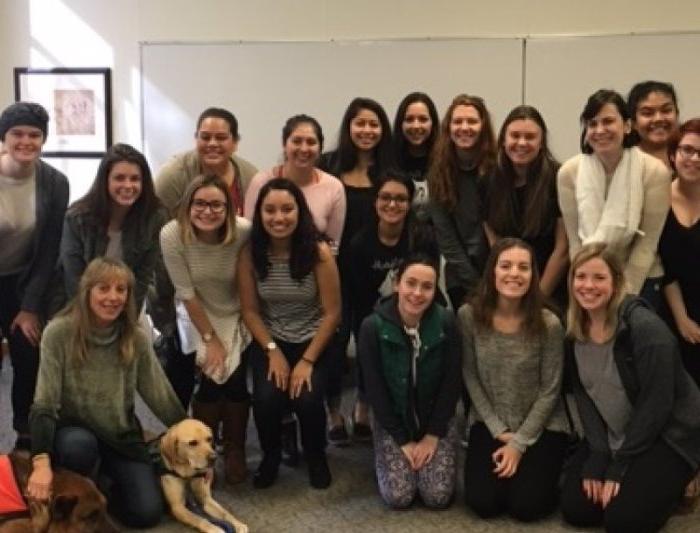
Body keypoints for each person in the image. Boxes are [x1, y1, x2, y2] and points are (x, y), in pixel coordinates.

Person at [26, 258, 186, 528]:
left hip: (120, 436)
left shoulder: (135, 337)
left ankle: (105, 486)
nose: (113, 297)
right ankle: (78, 494)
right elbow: (44, 403)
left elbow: (161, 395)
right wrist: (40, 462)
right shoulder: (58, 332)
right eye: (103, 288)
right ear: (87, 291)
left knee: (146, 513)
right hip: (73, 435)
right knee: (78, 446)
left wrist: (191, 440)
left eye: (121, 290)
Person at [560, 243, 700, 533]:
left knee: (624, 522)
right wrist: (599, 455)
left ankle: (685, 476)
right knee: (579, 509)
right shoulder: (574, 331)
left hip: (668, 434)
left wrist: (619, 466)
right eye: (580, 276)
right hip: (618, 431)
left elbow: (656, 406)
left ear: (617, 283)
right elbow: (585, 396)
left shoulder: (646, 330)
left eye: (599, 278)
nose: (588, 285)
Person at [238, 177, 340, 489]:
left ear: (300, 212)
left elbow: (333, 313)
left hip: (314, 337)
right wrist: (272, 351)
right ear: (260, 213)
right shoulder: (250, 253)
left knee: (307, 398)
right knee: (266, 399)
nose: (278, 218)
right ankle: (271, 454)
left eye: (287, 209)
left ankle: (315, 454)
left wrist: (307, 361)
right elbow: (250, 311)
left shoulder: (318, 252)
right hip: (272, 338)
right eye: (270, 210)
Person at [459, 238, 569, 521]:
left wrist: (518, 444)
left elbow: (550, 390)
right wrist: (497, 429)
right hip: (491, 421)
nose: (514, 274)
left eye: (523, 267)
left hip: (542, 424)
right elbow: (470, 375)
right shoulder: (469, 316)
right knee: (483, 503)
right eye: (505, 265)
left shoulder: (549, 323)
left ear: (533, 275)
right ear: (492, 272)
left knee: (527, 507)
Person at [160, 174, 251, 484]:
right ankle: (202, 455)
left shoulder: (243, 231)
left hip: (235, 310)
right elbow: (185, 293)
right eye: (200, 203)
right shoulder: (172, 234)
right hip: (194, 310)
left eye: (217, 204)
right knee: (213, 370)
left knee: (235, 376)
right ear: (187, 206)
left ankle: (235, 447)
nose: (208, 211)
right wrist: (210, 339)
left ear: (229, 208)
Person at [358, 253, 461, 509]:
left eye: (427, 287)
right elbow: (375, 391)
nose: (417, 293)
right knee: (399, 496)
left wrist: (433, 435)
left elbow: (452, 383)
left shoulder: (447, 322)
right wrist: (402, 440)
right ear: (396, 283)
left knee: (436, 497)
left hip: (435, 419)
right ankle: (389, 457)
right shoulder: (372, 327)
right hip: (392, 420)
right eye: (410, 283)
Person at [319, 97, 394, 445]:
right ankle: (333, 409)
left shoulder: (390, 170)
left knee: (372, 344)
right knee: (333, 347)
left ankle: (363, 406)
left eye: (374, 124)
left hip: (376, 275)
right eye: (360, 123)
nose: (367, 130)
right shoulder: (328, 166)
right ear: (349, 127)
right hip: (332, 274)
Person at [557, 89, 671, 308]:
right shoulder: (569, 173)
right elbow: (574, 243)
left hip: (640, 278)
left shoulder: (654, 172)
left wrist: (622, 298)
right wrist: (588, 284)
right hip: (588, 283)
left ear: (627, 126)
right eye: (592, 123)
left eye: (608, 121)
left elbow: (647, 244)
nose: (600, 130)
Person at [0, 102, 69, 448]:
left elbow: (49, 250)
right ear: (4, 138)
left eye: (34, 134)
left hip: (24, 282)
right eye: (17, 133)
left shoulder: (55, 182)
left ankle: (25, 437)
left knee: (28, 358)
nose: (26, 141)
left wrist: (29, 307)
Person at [345, 172, 415, 440]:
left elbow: (426, 282)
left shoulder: (420, 238)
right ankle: (363, 404)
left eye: (400, 199)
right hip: (372, 312)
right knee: (368, 332)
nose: (393, 205)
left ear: (410, 204)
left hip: (414, 309)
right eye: (386, 198)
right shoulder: (359, 244)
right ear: (375, 203)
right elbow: (361, 297)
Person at [60, 143, 165, 311]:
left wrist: (127, 322)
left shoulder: (154, 218)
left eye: (135, 179)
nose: (128, 186)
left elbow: (142, 279)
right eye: (119, 178)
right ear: (105, 180)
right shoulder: (77, 218)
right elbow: (74, 279)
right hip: (78, 308)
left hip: (124, 305)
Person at [482, 105, 568, 310]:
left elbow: (563, 249)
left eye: (530, 137)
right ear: (503, 139)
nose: (521, 142)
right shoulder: (488, 181)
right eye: (515, 135)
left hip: (549, 291)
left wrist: (537, 299)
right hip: (507, 289)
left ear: (541, 142)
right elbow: (495, 242)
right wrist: (510, 292)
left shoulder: (560, 179)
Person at [428, 94, 495, 310]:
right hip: (461, 279)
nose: (464, 127)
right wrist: (477, 286)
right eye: (458, 121)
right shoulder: (438, 174)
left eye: (472, 121)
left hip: (501, 275)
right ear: (448, 127)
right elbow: (447, 240)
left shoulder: (499, 168)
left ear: (483, 127)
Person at [244, 114, 346, 251]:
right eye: (297, 141)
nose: (304, 149)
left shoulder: (334, 187)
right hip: (266, 267)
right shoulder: (261, 182)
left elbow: (333, 246)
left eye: (311, 142)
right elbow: (250, 237)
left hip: (315, 267)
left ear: (320, 147)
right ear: (284, 144)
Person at [155, 107, 257, 217]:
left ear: (235, 142)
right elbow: (160, 227)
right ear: (196, 139)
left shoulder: (251, 178)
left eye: (221, 138)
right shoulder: (172, 177)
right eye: (205, 137)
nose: (212, 143)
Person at [659, 118, 700, 386]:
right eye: (687, 150)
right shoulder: (657, 197)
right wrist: (682, 318)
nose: (694, 159)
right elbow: (662, 264)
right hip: (672, 308)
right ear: (673, 155)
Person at [392, 92, 440, 218]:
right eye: (409, 119)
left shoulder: (445, 161)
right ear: (400, 124)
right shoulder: (388, 159)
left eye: (423, 119)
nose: (416, 125)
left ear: (433, 123)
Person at [627, 81, 679, 169]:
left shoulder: (692, 157)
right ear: (633, 122)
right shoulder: (624, 161)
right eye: (647, 113)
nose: (658, 118)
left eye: (666, 110)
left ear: (677, 114)